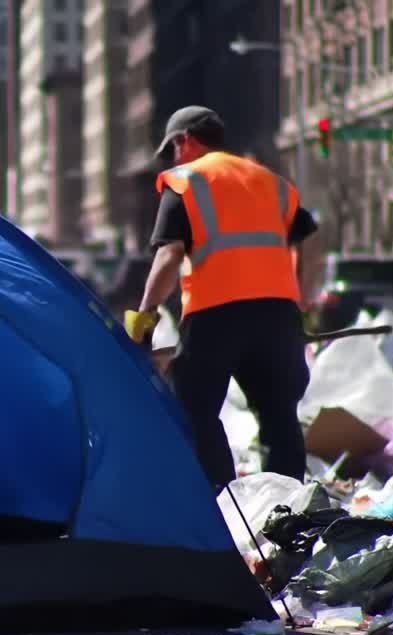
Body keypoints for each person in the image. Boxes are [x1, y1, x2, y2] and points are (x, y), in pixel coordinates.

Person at [124, 106, 317, 490]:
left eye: (172, 149)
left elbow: (169, 255)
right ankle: (287, 510)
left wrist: (145, 317)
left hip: (216, 315)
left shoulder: (185, 181)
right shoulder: (270, 181)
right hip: (278, 315)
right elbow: (306, 244)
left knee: (196, 410)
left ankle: (222, 507)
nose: (173, 158)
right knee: (279, 415)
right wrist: (299, 301)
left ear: (185, 141)